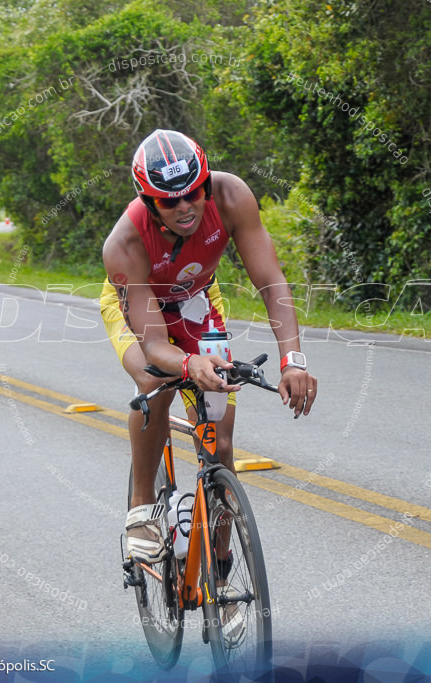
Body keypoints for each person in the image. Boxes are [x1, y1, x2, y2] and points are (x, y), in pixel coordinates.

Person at [100, 129, 318, 563]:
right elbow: (156, 343)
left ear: (205, 182)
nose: (185, 207)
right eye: (169, 200)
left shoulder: (232, 194)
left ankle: (220, 564)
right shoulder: (123, 244)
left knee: (219, 443)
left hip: (197, 300)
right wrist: (188, 362)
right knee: (153, 378)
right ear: (148, 202)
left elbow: (272, 283)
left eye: (194, 193)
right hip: (143, 310)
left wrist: (292, 360)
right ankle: (141, 509)